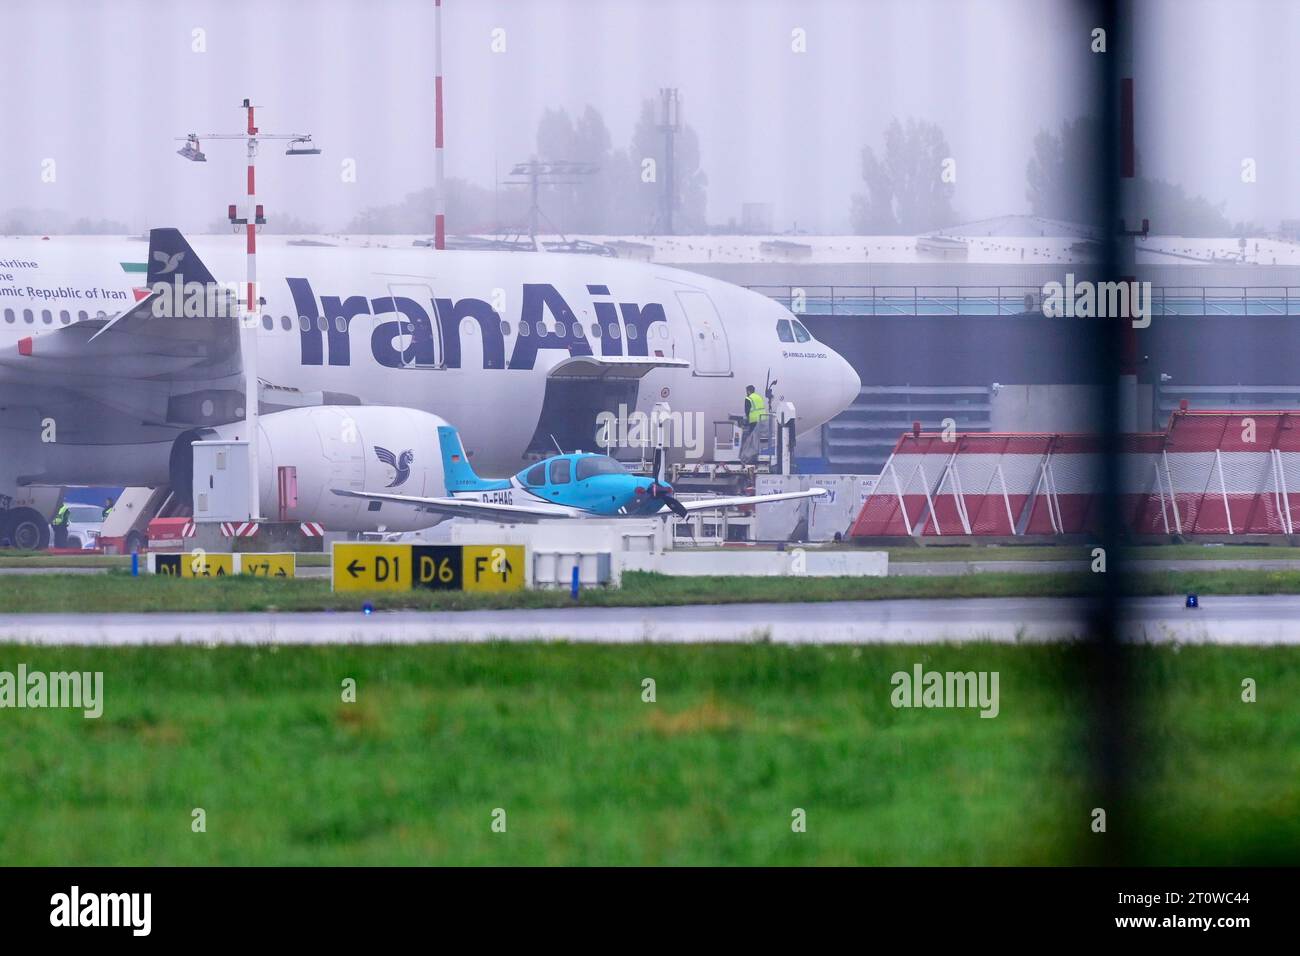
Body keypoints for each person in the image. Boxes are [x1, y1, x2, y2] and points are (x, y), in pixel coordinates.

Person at [740, 385, 766, 463]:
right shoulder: (759, 397)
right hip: (762, 420)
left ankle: (750, 456)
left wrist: (747, 419)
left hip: (754, 420)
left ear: (748, 391)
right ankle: (757, 453)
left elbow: (747, 411)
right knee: (757, 438)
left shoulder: (748, 398)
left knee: (751, 438)